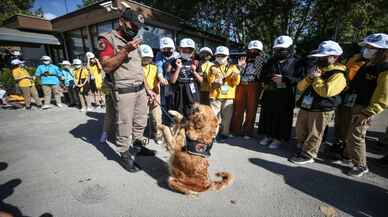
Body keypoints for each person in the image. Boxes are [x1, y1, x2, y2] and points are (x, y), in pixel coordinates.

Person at [98, 2, 156, 173]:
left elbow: (139, 69)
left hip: (140, 89)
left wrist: (148, 89)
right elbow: (107, 66)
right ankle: (124, 154)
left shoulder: (134, 40)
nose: (135, 29)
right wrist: (125, 50)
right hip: (123, 91)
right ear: (121, 20)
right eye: (133, 25)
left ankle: (137, 146)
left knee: (140, 121)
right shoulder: (107, 39)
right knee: (124, 124)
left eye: (138, 27)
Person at [289, 40, 347, 164]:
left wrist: (316, 78)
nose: (320, 59)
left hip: (322, 108)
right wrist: (310, 77)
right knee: (301, 128)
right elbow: (300, 87)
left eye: (323, 56)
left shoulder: (339, 74)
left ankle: (308, 155)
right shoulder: (317, 69)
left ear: (335, 57)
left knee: (315, 132)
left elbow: (326, 92)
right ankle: (301, 147)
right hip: (306, 105)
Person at [345, 33, 388, 177]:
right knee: (351, 133)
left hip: (365, 108)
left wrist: (368, 112)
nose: (367, 49)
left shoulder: (385, 68)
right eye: (368, 46)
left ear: (383, 50)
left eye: (372, 47)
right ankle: (350, 157)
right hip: (356, 103)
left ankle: (360, 166)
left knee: (356, 135)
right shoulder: (369, 63)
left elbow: (383, 97)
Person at [258, 36, 305, 149]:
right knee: (268, 114)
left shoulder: (297, 62)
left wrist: (284, 79)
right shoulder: (271, 61)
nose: (279, 51)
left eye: (282, 49)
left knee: (282, 117)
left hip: (285, 95)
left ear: (289, 48)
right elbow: (262, 75)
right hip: (270, 93)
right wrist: (270, 78)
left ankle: (278, 138)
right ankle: (268, 135)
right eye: (277, 49)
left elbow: (300, 78)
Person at [231, 40, 265, 139]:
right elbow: (236, 71)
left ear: (260, 50)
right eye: (251, 49)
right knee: (238, 107)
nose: (253, 51)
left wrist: (258, 63)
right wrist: (240, 66)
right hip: (241, 84)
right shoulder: (243, 57)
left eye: (256, 50)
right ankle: (236, 130)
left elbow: (260, 75)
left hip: (253, 84)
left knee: (251, 109)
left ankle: (248, 131)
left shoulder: (261, 59)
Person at [208, 46, 240, 141]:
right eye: (218, 55)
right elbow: (210, 81)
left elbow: (236, 83)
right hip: (215, 96)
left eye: (223, 55)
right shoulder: (212, 67)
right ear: (215, 56)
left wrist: (235, 77)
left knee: (227, 117)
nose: (220, 57)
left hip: (228, 96)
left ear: (227, 56)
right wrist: (215, 82)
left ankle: (225, 133)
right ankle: (213, 133)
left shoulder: (233, 67)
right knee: (213, 116)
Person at [168, 38, 202, 116]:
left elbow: (201, 81)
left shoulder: (196, 62)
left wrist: (194, 72)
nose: (187, 52)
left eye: (189, 50)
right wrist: (178, 68)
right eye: (184, 50)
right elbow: (172, 81)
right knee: (179, 115)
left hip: (192, 91)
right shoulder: (174, 61)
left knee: (194, 114)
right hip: (179, 90)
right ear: (179, 49)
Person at [140, 44, 163, 144]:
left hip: (155, 94)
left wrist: (160, 79)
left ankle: (158, 135)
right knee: (142, 117)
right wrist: (147, 92)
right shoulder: (137, 68)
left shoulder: (154, 67)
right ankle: (139, 137)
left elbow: (158, 78)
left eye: (149, 58)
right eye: (144, 58)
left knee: (157, 117)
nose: (146, 60)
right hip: (142, 95)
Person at [155, 37, 179, 124]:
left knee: (175, 102)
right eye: (164, 49)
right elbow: (159, 68)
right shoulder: (159, 55)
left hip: (175, 83)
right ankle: (166, 122)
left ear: (173, 48)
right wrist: (161, 77)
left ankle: (175, 122)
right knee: (164, 103)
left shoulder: (177, 55)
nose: (167, 50)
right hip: (164, 84)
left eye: (169, 48)